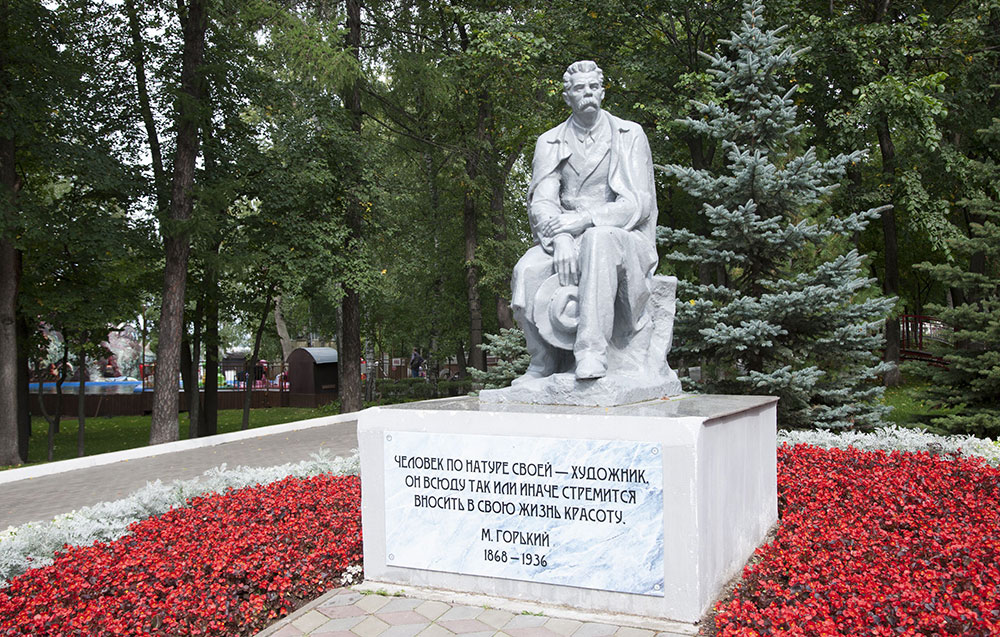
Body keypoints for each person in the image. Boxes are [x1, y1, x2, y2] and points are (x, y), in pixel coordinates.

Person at [511, 60, 658, 382]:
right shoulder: (549, 141)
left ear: (602, 92)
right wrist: (561, 238)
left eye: (593, 87)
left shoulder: (629, 134)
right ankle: (543, 360)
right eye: (579, 88)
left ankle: (591, 351)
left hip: (622, 234)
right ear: (567, 98)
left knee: (598, 239)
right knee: (525, 270)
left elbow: (638, 203)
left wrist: (583, 221)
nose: (587, 93)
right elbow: (543, 200)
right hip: (564, 233)